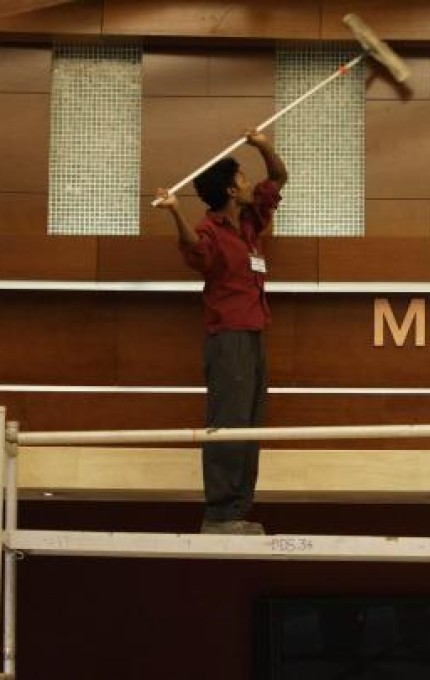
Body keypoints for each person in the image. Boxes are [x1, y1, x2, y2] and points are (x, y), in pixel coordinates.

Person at [156, 130, 287, 535]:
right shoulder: (209, 230)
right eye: (243, 179)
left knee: (250, 423)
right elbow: (194, 249)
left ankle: (237, 512)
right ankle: (218, 514)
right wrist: (176, 211)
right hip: (227, 336)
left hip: (254, 332)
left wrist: (262, 145)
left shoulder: (249, 221)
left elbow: (278, 179)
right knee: (228, 421)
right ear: (231, 189)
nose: (249, 184)